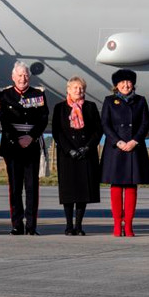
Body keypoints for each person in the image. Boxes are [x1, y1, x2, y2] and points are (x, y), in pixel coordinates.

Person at [0, 60, 49, 235]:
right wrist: (18, 138)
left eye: (26, 75)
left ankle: (31, 225)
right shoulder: (4, 95)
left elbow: (43, 119)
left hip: (31, 143)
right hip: (12, 144)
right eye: (20, 75)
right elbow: (3, 122)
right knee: (15, 187)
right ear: (13, 77)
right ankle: (16, 224)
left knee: (32, 187)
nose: (23, 78)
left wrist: (31, 137)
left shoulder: (38, 94)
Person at [100, 69, 149, 237]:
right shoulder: (109, 101)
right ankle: (116, 224)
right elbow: (105, 124)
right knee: (116, 187)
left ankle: (128, 225)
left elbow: (145, 123)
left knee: (131, 187)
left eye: (129, 82)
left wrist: (134, 141)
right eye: (122, 82)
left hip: (134, 147)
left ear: (133, 84)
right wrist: (119, 141)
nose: (126, 85)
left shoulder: (140, 101)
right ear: (116, 85)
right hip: (116, 148)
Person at [51, 76, 102, 236]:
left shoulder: (91, 107)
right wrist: (69, 150)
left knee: (82, 193)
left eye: (81, 88)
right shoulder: (60, 108)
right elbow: (57, 132)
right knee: (68, 193)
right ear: (68, 90)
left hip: (85, 154)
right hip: (68, 156)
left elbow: (98, 130)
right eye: (75, 88)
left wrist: (87, 148)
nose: (78, 91)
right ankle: (68, 225)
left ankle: (79, 226)